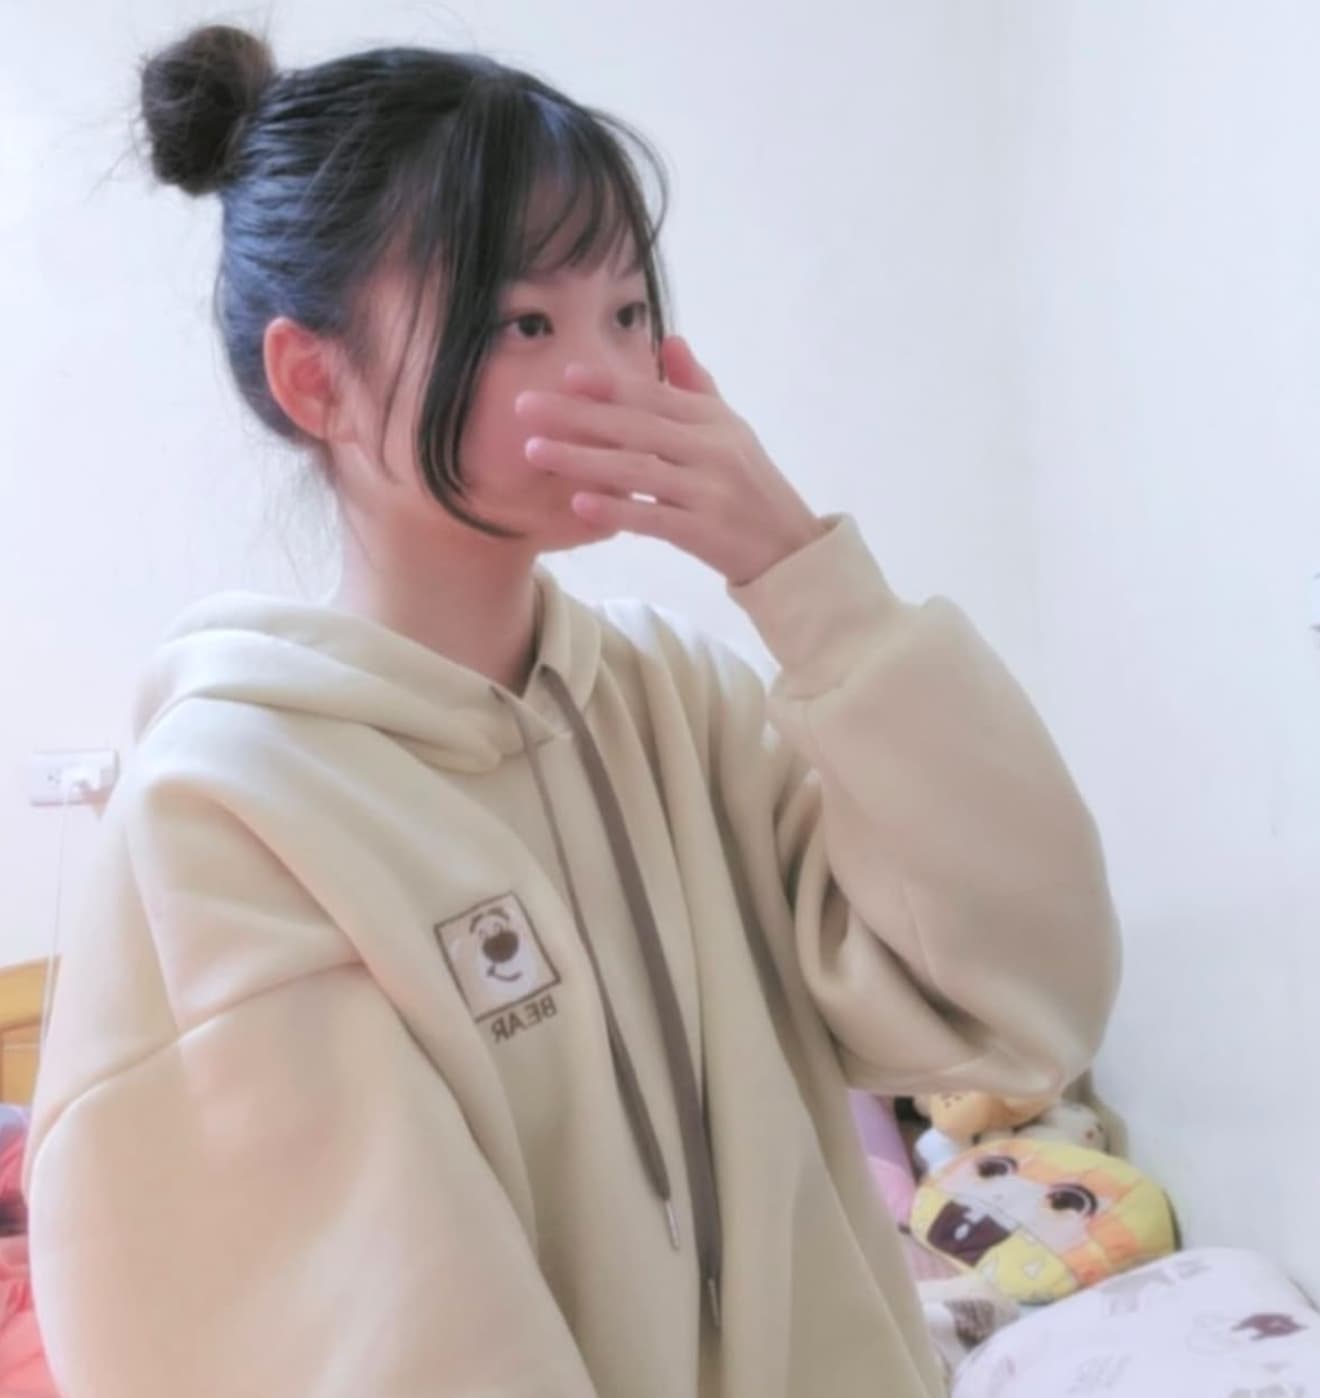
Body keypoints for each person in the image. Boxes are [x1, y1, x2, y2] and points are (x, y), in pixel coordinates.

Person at [24, 24, 1121, 1398]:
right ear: (316, 380)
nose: (607, 372)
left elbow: (1023, 1002)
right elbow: (396, 1343)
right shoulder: (230, 810)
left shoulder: (677, 695)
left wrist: (806, 580)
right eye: (526, 323)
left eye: (629, 312)